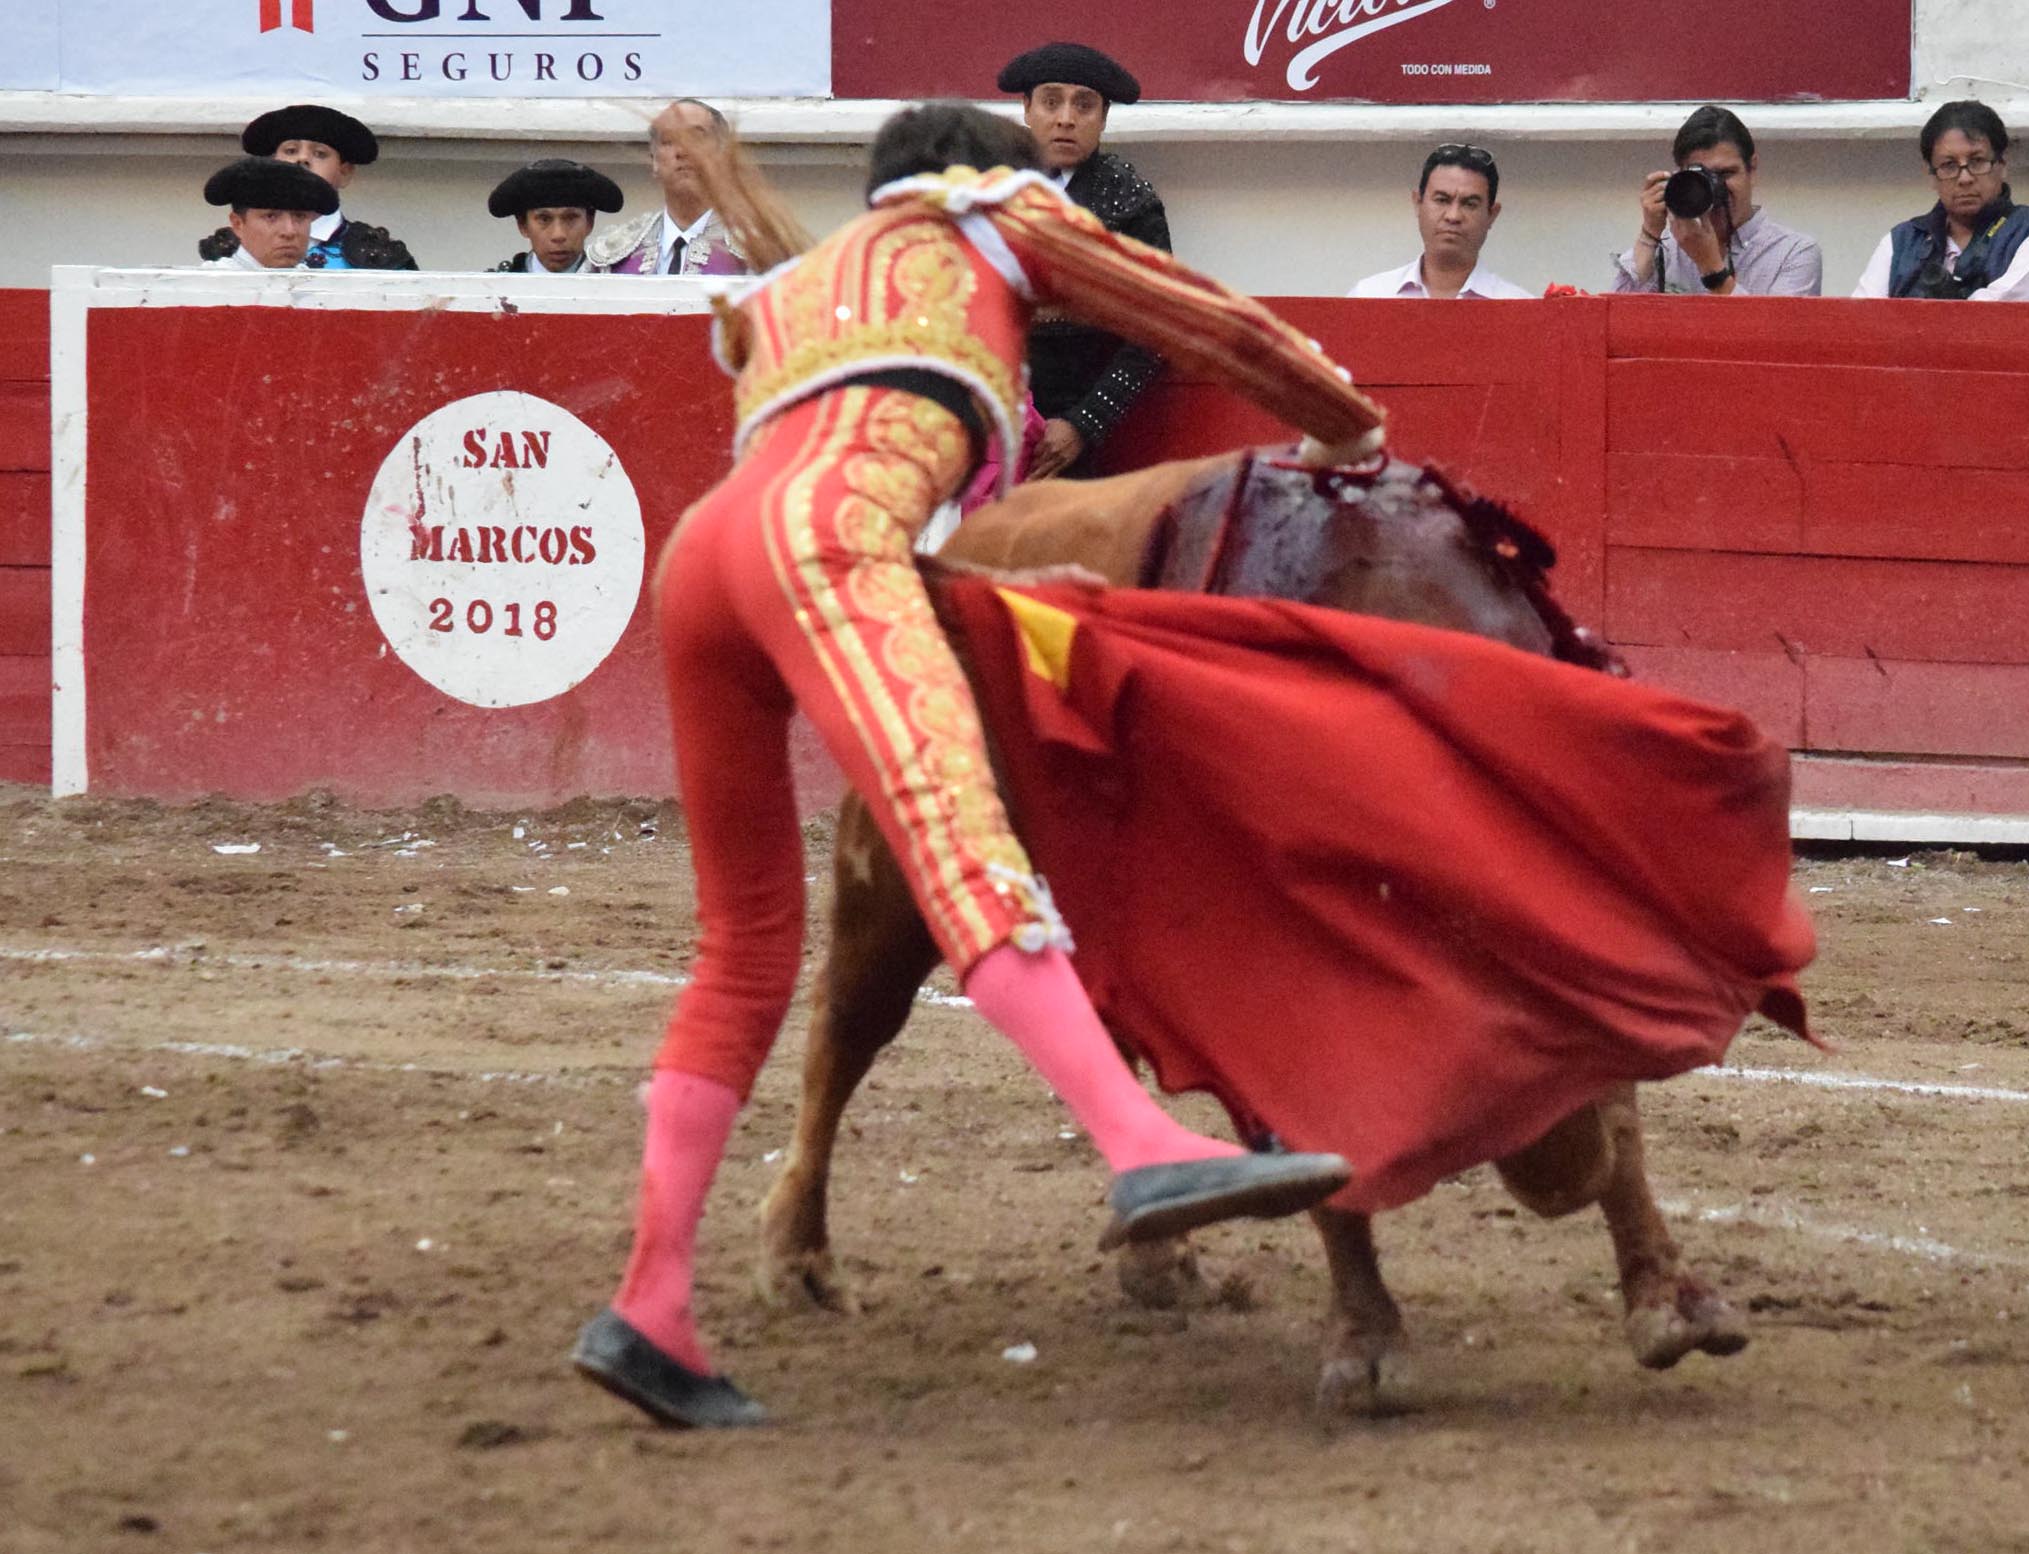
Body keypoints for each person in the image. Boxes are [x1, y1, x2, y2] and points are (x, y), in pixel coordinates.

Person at [568, 101, 1379, 1430]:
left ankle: (650, 1303)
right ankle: (1140, 1142)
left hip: (707, 560)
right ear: (987, 174)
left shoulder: (788, 292)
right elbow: (1211, 326)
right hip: (832, 539)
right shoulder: (1007, 221)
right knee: (958, 840)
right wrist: (1346, 428)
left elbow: (818, 480)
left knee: (742, 951)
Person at [996, 42, 1171, 479]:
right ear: (1026, 108)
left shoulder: (1129, 201)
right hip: (990, 412)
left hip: (1077, 425)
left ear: (1104, 117)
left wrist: (1084, 422)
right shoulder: (986, 191)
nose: (1066, 118)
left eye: (1084, 105)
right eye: (1051, 101)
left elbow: (1156, 329)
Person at [1851, 101, 2029, 301]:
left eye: (1977, 161)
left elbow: (1997, 320)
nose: (1965, 178)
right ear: (1932, 177)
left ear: (2002, 165)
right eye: (1949, 165)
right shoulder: (1900, 242)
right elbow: (1862, 323)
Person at [1614, 106, 1821, 297]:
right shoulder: (1669, 247)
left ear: (1752, 169)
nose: (1716, 188)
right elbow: (1615, 320)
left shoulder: (1794, 253)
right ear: (1682, 176)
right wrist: (1649, 234)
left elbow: (1774, 335)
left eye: (1726, 174)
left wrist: (1712, 270)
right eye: (1703, 177)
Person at [197, 105, 417, 270]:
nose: (302, 160)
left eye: (320, 154)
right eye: (291, 151)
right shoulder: (227, 248)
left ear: (345, 172)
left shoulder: (375, 253)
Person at [585, 99, 756, 275]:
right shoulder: (614, 252)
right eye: (668, 141)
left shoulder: (757, 250)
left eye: (696, 138)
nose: (682, 151)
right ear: (654, 161)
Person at [1348, 144, 1532, 300]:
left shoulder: (1521, 309)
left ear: (1492, 215)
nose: (1453, 216)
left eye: (1470, 204)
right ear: (1418, 203)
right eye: (1442, 200)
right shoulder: (1370, 296)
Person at [198, 157, 344, 271]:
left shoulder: (318, 288)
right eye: (271, 216)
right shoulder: (207, 286)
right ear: (238, 224)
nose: (289, 231)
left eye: (299, 216)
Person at [486, 158, 624, 274]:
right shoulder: (495, 290)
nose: (558, 235)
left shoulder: (615, 287)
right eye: (544, 219)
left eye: (571, 218)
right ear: (523, 226)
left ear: (589, 222)